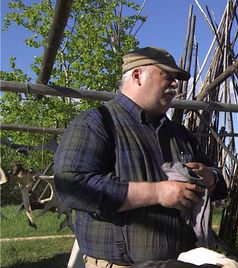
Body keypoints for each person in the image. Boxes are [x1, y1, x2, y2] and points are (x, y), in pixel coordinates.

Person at [54, 46, 227, 267]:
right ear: (137, 76)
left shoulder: (179, 134)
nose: (175, 85)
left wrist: (210, 179)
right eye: (168, 76)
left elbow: (220, 181)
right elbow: (72, 186)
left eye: (176, 79)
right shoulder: (97, 123)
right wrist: (157, 192)